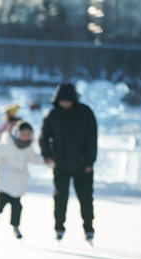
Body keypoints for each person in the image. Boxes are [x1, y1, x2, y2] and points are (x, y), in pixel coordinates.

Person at [39, 83, 98, 242]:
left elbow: (92, 138)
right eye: (62, 100)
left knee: (85, 198)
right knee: (60, 198)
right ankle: (59, 228)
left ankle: (88, 228)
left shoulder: (85, 113)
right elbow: (43, 136)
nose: (65, 103)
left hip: (82, 165)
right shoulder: (53, 115)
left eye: (68, 100)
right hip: (60, 164)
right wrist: (47, 155)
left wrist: (89, 161)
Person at [0, 121, 45, 239]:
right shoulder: (6, 146)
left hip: (19, 184)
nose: (25, 137)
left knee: (17, 207)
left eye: (28, 134)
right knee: (1, 202)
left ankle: (15, 226)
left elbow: (34, 158)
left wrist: (47, 161)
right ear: (16, 133)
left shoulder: (28, 148)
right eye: (23, 134)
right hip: (5, 183)